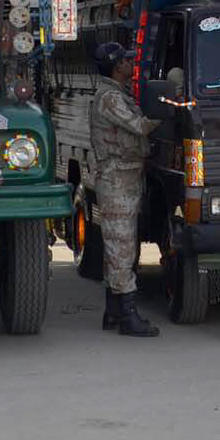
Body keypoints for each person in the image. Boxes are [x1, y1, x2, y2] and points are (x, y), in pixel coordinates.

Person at [90, 41, 160, 337]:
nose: (131, 65)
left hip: (125, 176)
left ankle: (114, 312)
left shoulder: (116, 94)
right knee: (122, 247)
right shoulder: (109, 98)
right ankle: (128, 316)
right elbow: (140, 126)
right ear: (117, 66)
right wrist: (171, 109)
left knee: (118, 248)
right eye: (127, 61)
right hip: (117, 177)